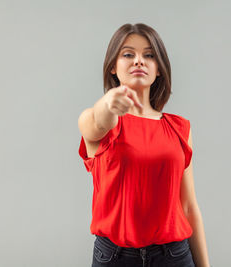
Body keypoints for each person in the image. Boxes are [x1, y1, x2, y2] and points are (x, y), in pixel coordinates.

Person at [78, 23, 211, 267]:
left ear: (159, 69)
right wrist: (109, 102)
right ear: (113, 68)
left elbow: (189, 207)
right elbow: (97, 121)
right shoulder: (98, 121)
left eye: (149, 55)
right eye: (128, 54)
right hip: (115, 258)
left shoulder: (179, 128)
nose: (139, 60)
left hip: (174, 257)